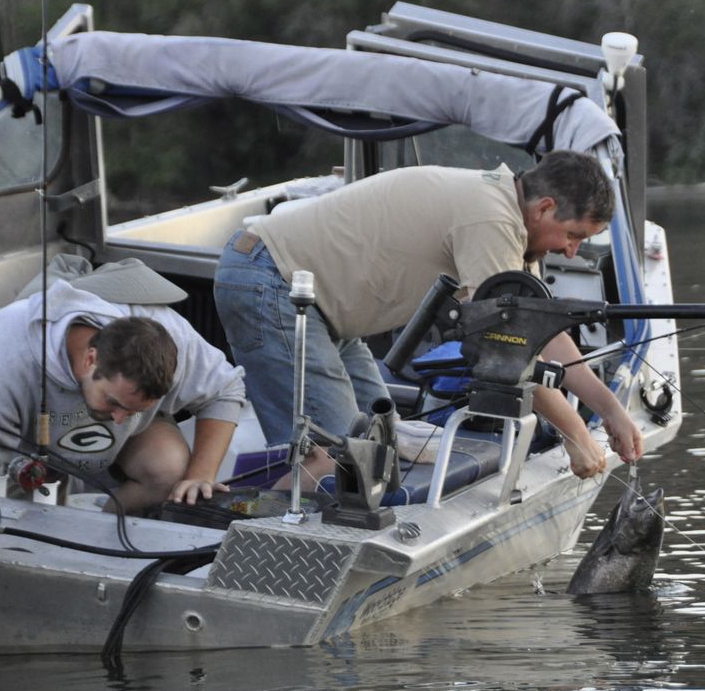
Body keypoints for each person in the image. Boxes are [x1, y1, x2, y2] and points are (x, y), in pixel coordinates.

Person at [213, 150, 643, 487]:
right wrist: (574, 434)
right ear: (545, 207)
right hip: (272, 283)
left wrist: (610, 411)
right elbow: (508, 349)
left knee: (381, 440)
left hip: (318, 308)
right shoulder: (491, 218)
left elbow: (540, 332)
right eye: (574, 237)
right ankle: (234, 546)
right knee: (334, 463)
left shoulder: (505, 214)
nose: (572, 252)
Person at [0, 257, 247, 513]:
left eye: (133, 410)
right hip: (26, 452)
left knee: (167, 467)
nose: (117, 419)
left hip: (118, 453)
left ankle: (101, 523)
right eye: (114, 402)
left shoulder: (170, 336)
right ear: (91, 359)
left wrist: (201, 475)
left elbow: (225, 390)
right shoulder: (6, 355)